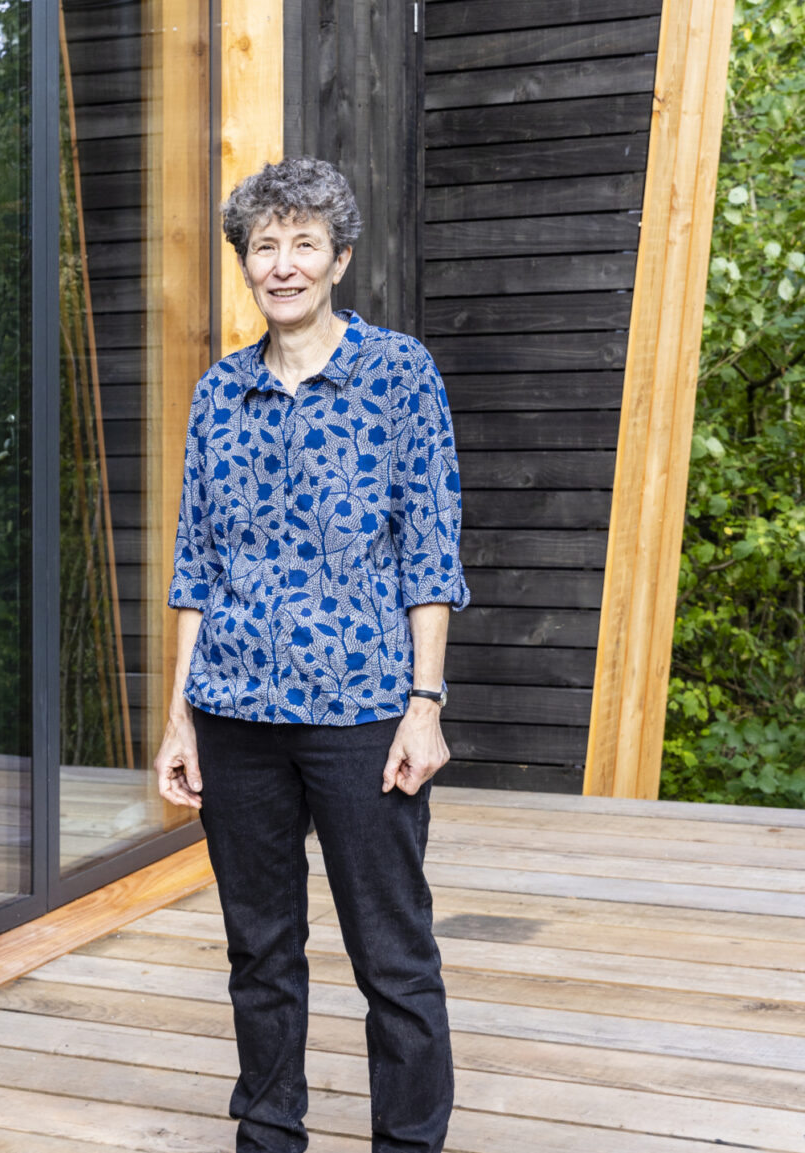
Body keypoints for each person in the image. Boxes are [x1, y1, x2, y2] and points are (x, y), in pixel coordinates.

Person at [153, 156, 467, 1152]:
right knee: (261, 954)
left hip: (363, 714)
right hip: (236, 717)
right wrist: (178, 715)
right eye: (264, 245)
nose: (281, 264)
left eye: (302, 243)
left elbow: (431, 546)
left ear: (337, 257)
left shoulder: (400, 373)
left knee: (395, 957)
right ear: (245, 261)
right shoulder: (217, 395)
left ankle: (409, 1141)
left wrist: (426, 701)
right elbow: (194, 563)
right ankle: (268, 1135)